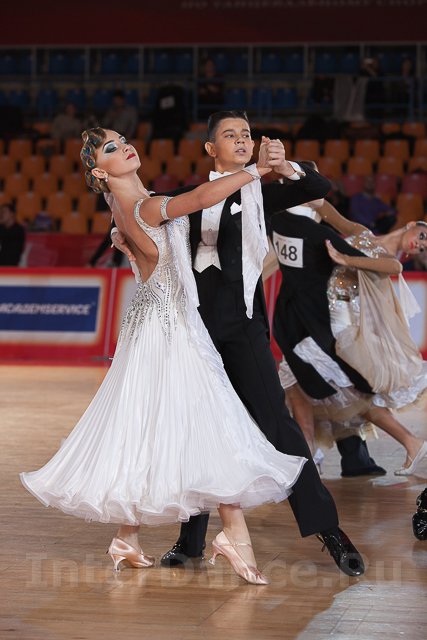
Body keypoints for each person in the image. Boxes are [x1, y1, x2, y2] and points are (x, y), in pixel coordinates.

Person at [20, 127, 307, 586]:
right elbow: (201, 197)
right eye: (111, 149)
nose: (125, 147)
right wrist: (255, 170)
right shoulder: (145, 206)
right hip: (171, 330)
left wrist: (120, 234)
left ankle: (128, 538)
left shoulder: (123, 206)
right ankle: (234, 536)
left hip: (155, 325)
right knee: (208, 420)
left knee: (154, 423)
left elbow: (138, 225)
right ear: (99, 171)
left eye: (122, 140)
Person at [112, 110, 365, 578]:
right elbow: (141, 221)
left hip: (244, 327)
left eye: (247, 134)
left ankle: (329, 530)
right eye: (230, 135)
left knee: (278, 425)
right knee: (196, 428)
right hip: (192, 329)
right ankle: (190, 541)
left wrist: (285, 166)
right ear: (212, 149)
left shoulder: (262, 194)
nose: (242, 140)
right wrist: (120, 233)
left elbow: (317, 187)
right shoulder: (188, 197)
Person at [270, 189, 427, 477]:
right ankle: (309, 456)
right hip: (317, 312)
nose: (420, 244)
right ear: (411, 225)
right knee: (303, 382)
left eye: (423, 247)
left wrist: (347, 259)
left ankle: (312, 457)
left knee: (339, 390)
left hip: (339, 320)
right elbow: (332, 215)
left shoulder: (386, 255)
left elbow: (393, 267)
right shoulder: (362, 233)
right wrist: (308, 190)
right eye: (422, 235)